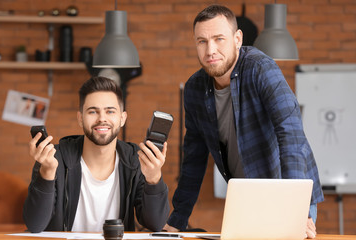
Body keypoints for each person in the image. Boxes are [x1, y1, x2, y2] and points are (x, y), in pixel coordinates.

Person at [164, 4, 324, 239]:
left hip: (287, 190)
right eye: (202, 41)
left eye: (219, 39)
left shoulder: (261, 69)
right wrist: (177, 220)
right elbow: (194, 159)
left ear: (237, 39)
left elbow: (290, 134)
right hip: (246, 197)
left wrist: (297, 210)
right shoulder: (195, 89)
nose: (210, 50)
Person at [23, 76, 170, 233]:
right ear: (80, 118)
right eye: (93, 111)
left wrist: (154, 178)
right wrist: (47, 172)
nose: (102, 119)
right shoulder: (53, 158)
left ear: (122, 118)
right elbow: (34, 224)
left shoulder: (135, 160)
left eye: (110, 111)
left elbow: (156, 224)